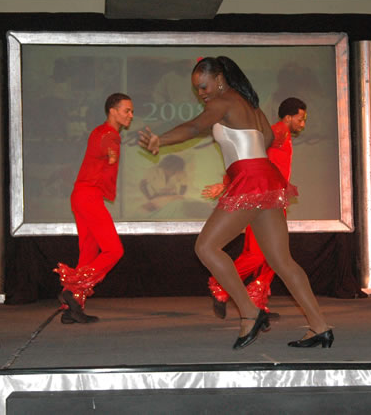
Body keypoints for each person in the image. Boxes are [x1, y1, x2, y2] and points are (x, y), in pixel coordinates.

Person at [138, 57, 331, 349]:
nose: (201, 93)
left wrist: (160, 141)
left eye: (203, 86)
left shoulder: (223, 101)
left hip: (250, 179)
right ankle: (319, 327)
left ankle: (250, 312)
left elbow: (194, 128)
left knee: (205, 247)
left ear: (218, 79)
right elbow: (266, 138)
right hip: (266, 177)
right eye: (196, 89)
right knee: (281, 261)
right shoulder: (250, 104)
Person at [205, 97, 307, 319]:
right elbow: (248, 156)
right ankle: (219, 285)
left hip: (273, 199)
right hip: (261, 200)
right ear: (288, 117)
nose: (303, 123)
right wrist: (224, 184)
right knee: (258, 255)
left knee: (276, 256)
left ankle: (257, 300)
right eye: (300, 119)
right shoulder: (277, 132)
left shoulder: (285, 134)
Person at [54, 93, 133, 324]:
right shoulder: (110, 134)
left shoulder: (99, 131)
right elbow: (107, 148)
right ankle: (75, 288)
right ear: (112, 111)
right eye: (126, 110)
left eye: (131, 111)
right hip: (89, 197)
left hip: (81, 195)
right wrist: (111, 154)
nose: (131, 115)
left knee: (88, 254)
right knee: (114, 250)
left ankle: (73, 307)